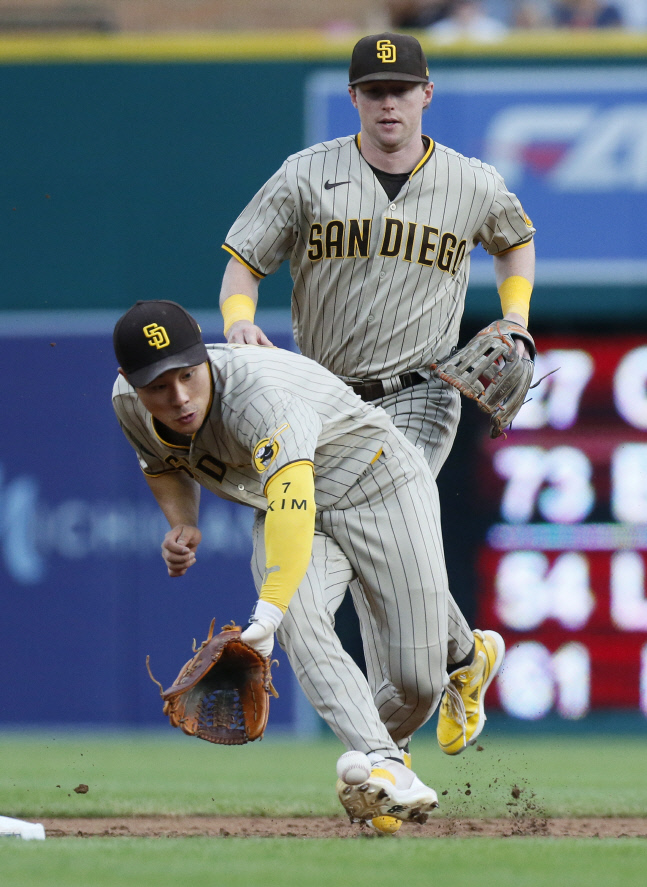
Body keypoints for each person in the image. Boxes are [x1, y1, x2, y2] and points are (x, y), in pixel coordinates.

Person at [218, 31, 528, 828]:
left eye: (401, 89)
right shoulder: (306, 175)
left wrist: (517, 318)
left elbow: (514, 235)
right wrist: (239, 321)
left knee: (378, 537)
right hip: (320, 401)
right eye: (372, 90)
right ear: (355, 98)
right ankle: (460, 658)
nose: (387, 102)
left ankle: (395, 738)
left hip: (422, 396)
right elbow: (244, 261)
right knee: (330, 587)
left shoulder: (468, 180)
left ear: (426, 95)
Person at [112, 299, 504, 827]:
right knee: (303, 620)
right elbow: (161, 462)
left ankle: (465, 657)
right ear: (130, 382)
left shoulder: (260, 398)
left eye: (187, 375)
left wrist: (265, 617)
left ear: (204, 356)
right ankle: (386, 766)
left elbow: (293, 511)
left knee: (415, 681)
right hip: (292, 507)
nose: (178, 397)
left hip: (380, 484)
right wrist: (183, 520)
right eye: (158, 386)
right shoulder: (128, 403)